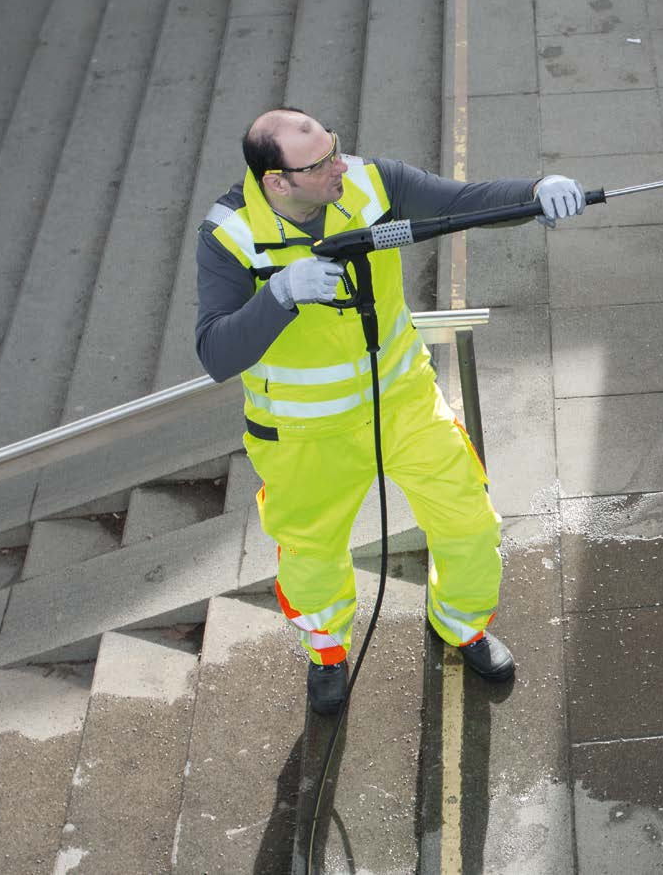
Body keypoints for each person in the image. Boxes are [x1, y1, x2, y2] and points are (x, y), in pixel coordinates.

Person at [195, 108, 584, 715]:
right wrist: (279, 294)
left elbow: (463, 201)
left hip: (403, 403)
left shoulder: (372, 183)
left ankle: (461, 625)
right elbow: (217, 353)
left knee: (469, 521)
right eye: (321, 163)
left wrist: (537, 193)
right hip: (304, 432)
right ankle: (327, 654)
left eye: (336, 150)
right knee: (312, 554)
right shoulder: (229, 236)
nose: (340, 168)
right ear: (278, 182)